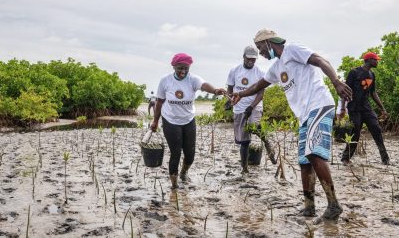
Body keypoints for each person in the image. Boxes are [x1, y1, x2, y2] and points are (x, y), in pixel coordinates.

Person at [232, 28, 352, 220]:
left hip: (319, 104)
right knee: (304, 162)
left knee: (314, 153)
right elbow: (258, 86)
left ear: (269, 42)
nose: (260, 52)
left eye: (260, 47)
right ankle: (309, 207)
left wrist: (336, 81)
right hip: (303, 115)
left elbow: (321, 61)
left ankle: (333, 204)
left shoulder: (293, 49)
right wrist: (241, 94)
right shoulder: (276, 67)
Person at [150, 53, 226, 189]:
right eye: (180, 68)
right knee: (175, 153)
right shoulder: (165, 81)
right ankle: (174, 184)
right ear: (173, 67)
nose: (183, 72)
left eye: (186, 68)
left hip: (188, 120)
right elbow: (159, 103)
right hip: (170, 121)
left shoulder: (193, 80)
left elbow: (203, 85)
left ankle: (184, 173)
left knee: (190, 154)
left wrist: (215, 90)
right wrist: (155, 121)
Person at [226, 45, 275, 174]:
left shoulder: (260, 73)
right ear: (243, 57)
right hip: (238, 107)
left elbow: (260, 94)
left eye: (253, 59)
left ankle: (266, 142)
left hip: (254, 105)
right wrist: (228, 101)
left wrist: (251, 107)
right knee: (244, 141)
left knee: (254, 125)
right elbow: (230, 89)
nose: (251, 61)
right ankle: (245, 168)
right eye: (249, 58)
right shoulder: (234, 71)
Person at [339, 52, 390, 165]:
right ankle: (345, 158)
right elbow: (344, 90)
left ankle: (385, 160)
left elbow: (373, 93)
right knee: (355, 133)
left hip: (366, 108)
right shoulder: (354, 72)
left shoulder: (372, 75)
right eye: (375, 60)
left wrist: (383, 109)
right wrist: (342, 109)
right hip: (354, 108)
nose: (377, 62)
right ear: (369, 60)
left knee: (376, 129)